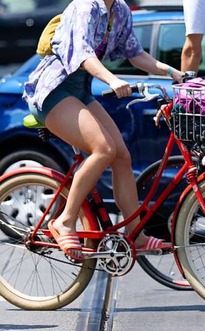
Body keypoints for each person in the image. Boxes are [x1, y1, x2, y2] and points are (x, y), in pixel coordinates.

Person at [23, 0, 184, 260]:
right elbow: (83, 54)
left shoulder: (119, 10)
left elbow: (135, 54)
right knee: (104, 149)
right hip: (53, 90)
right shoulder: (85, 7)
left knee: (121, 156)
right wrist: (112, 79)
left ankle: (136, 234)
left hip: (80, 91)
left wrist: (171, 72)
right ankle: (64, 220)